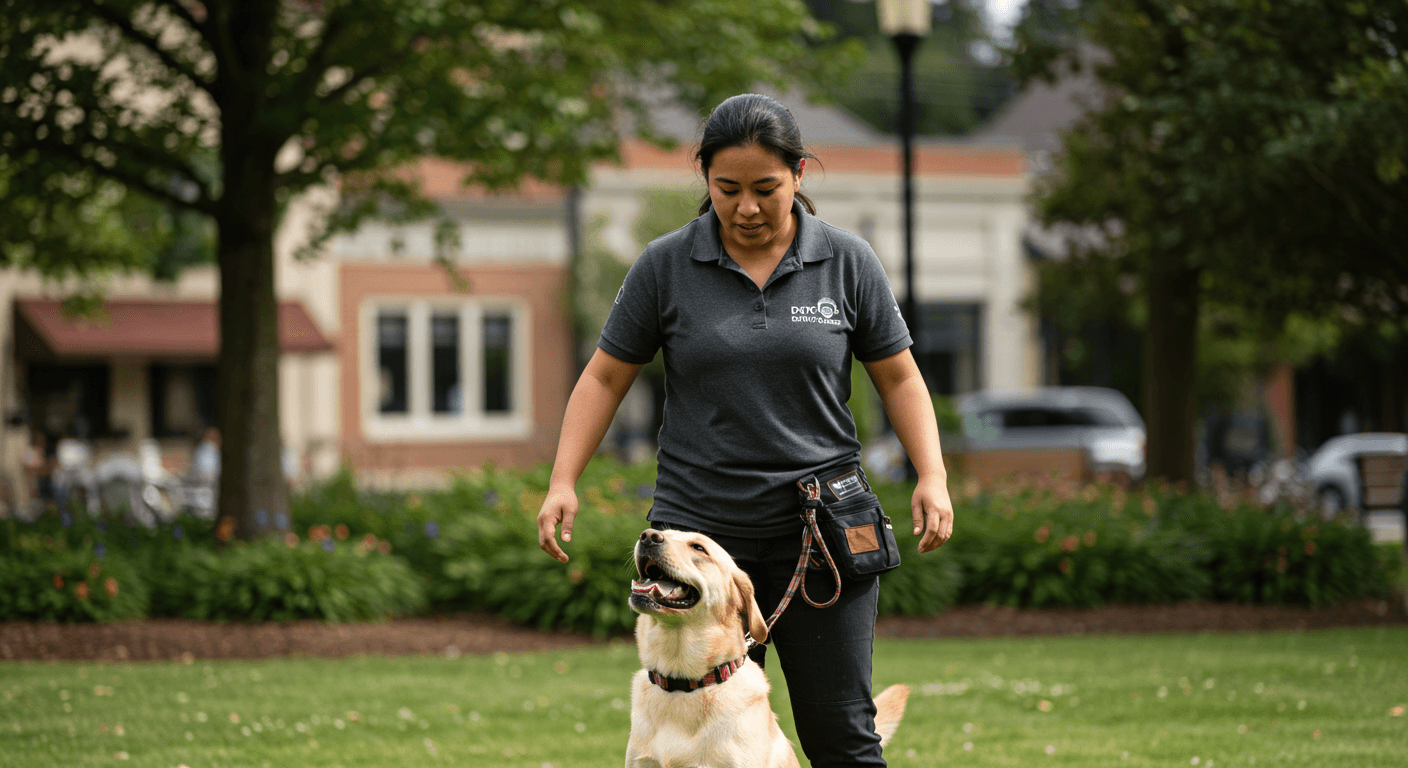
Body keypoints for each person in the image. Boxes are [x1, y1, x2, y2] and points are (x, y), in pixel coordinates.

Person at [536, 93, 954, 768]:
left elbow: (900, 378)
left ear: (799, 176)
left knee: (841, 736)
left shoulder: (847, 262)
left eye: (767, 188)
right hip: (700, 538)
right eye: (727, 189)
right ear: (705, 180)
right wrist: (563, 480)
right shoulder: (665, 265)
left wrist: (931, 475)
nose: (747, 207)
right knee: (685, 738)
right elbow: (605, 376)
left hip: (823, 537)